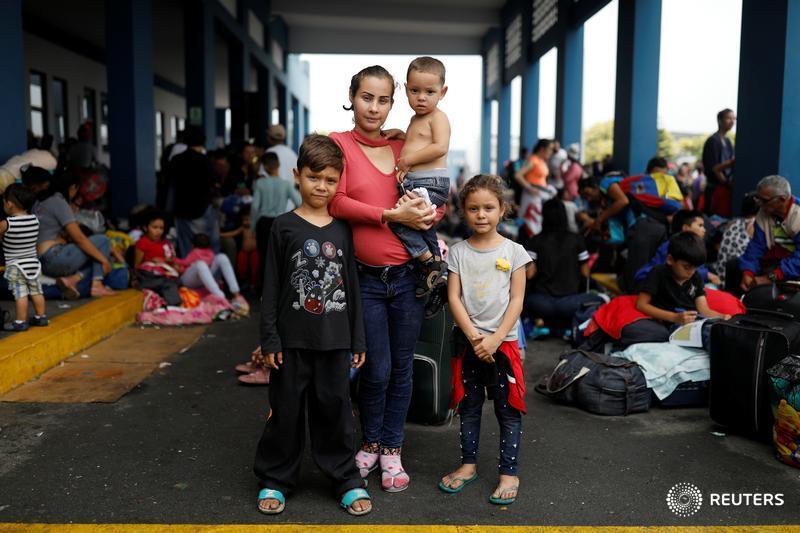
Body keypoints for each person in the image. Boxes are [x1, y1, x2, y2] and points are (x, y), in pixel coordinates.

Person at [328, 65, 438, 493]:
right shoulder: (337, 145)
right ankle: (370, 442)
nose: (374, 107)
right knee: (376, 368)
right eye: (366, 97)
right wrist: (389, 215)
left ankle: (392, 448)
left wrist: (430, 215)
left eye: (383, 99)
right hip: (365, 280)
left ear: (394, 103)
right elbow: (335, 200)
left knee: (402, 368)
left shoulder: (404, 146)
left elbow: (433, 195)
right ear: (352, 97)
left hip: (409, 278)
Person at [253, 134, 371, 516]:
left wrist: (358, 339)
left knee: (336, 412)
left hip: (335, 342)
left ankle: (345, 479)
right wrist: (269, 338)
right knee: (285, 413)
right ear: (297, 176)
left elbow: (351, 287)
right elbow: (270, 287)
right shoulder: (282, 227)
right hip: (290, 342)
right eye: (314, 177)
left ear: (339, 182)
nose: (322, 186)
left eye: (330, 180)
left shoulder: (342, 230)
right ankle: (276, 479)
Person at [438, 174, 530, 505]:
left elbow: (517, 300)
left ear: (502, 209)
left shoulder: (515, 251)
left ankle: (509, 472)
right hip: (468, 343)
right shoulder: (458, 252)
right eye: (473, 208)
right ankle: (468, 465)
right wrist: (475, 336)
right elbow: (454, 298)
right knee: (469, 406)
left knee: (508, 410)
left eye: (488, 207)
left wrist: (495, 339)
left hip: (503, 344)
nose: (481, 215)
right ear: (462, 211)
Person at [391, 56, 452, 298]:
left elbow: (439, 147)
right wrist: (400, 135)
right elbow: (418, 141)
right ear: (406, 90)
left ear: (442, 92)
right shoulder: (416, 119)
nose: (421, 97)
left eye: (429, 91)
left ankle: (429, 261)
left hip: (430, 182)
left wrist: (407, 161)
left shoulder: (439, 117)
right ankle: (437, 273)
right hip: (420, 182)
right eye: (415, 90)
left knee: (397, 219)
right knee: (422, 226)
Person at [622, 232, 730, 346]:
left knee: (723, 331)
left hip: (696, 321)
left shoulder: (696, 277)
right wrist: (674, 317)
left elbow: (704, 310)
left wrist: (722, 317)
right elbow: (641, 304)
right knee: (710, 336)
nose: (691, 272)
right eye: (686, 267)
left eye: (695, 268)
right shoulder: (658, 273)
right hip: (674, 323)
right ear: (670, 259)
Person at [28, 170, 115, 299]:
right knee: (103, 241)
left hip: (40, 261)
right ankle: (97, 284)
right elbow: (79, 238)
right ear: (73, 187)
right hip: (54, 258)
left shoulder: (38, 202)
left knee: (94, 255)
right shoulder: (58, 201)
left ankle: (72, 280)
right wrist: (104, 260)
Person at [524, 198, 603, 335]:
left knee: (523, 299)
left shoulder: (535, 241)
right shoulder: (577, 239)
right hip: (570, 304)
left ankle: (542, 323)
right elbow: (585, 273)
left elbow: (529, 274)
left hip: (542, 304)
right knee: (601, 299)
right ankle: (567, 326)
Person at [737, 175, 800, 291]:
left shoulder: (798, 214)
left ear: (782, 199)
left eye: (764, 200)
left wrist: (771, 277)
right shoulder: (763, 212)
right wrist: (748, 272)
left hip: (793, 268)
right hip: (775, 264)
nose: (759, 204)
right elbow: (756, 246)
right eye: (758, 199)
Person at [0, 183, 47, 331]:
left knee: (20, 293)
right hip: (33, 263)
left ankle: (20, 321)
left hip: (16, 265)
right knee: (36, 290)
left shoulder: (6, 223)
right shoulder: (35, 220)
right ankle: (41, 317)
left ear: (9, 204)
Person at [251, 151, 301, 288]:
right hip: (279, 223)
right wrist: (290, 217)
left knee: (263, 257)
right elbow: (299, 202)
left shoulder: (260, 183)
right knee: (280, 257)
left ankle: (264, 290)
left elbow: (255, 207)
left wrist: (252, 227)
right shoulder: (286, 184)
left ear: (265, 167)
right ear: (278, 165)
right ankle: (279, 289)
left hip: (263, 223)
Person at [168, 126, 220, 257]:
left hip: (182, 209)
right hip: (202, 208)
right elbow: (213, 183)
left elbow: (170, 183)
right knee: (208, 244)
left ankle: (190, 273)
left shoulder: (176, 160)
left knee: (186, 246)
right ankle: (211, 273)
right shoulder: (206, 161)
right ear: (203, 142)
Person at [634, 210, 722, 287]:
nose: (704, 230)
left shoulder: (694, 245)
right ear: (686, 228)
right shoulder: (672, 245)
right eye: (700, 225)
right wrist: (707, 275)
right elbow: (676, 272)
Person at [176, 233, 249, 315]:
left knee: (222, 257)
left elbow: (185, 262)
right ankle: (222, 296)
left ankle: (235, 296)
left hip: (198, 277)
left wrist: (174, 260)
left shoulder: (195, 252)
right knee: (201, 264)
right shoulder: (210, 252)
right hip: (192, 279)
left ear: (193, 245)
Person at [133, 209, 182, 307]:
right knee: (167, 283)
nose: (158, 231)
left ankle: (170, 303)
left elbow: (173, 260)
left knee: (173, 282)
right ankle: (174, 306)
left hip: (165, 276)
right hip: (148, 277)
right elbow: (137, 266)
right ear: (145, 228)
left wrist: (173, 264)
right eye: (154, 227)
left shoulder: (165, 243)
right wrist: (151, 261)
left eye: (161, 228)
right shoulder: (143, 243)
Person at [713, 193, 758, 288]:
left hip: (719, 276)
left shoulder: (732, 222)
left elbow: (717, 245)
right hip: (737, 280)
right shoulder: (754, 225)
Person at [515, 139, 556, 237]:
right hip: (531, 197)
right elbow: (518, 175)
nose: (551, 152)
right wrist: (530, 188)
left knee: (537, 222)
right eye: (550, 149)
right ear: (542, 149)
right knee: (531, 223)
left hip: (540, 196)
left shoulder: (541, 161)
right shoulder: (533, 160)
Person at [702, 108, 735, 217]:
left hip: (725, 187)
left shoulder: (727, 141)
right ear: (720, 121)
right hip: (714, 188)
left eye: (733, 119)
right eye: (728, 118)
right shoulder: (712, 141)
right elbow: (713, 168)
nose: (732, 121)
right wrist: (725, 182)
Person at [220, 209, 259, 290]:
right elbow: (233, 233)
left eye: (248, 219)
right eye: (244, 220)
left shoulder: (256, 228)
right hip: (244, 251)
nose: (246, 222)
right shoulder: (243, 228)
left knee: (255, 267)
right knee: (241, 267)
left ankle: (254, 283)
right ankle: (244, 281)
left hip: (254, 251)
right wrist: (221, 234)